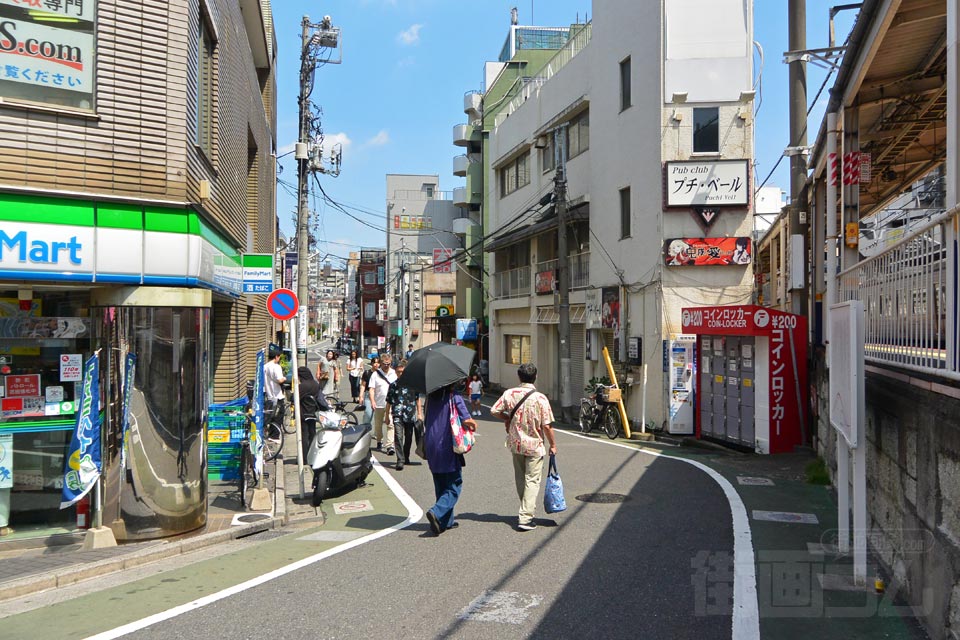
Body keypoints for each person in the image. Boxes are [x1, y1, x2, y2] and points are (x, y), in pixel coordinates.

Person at [490, 363, 557, 531]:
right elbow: (547, 426)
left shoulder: (509, 393)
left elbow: (494, 410)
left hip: (516, 443)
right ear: (535, 377)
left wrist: (506, 418)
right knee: (532, 480)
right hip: (535, 445)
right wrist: (553, 445)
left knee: (521, 478)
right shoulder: (540, 398)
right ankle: (526, 518)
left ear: (519, 377)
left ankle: (525, 510)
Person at [422, 381, 476, 535]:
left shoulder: (430, 398)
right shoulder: (454, 397)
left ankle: (445, 521)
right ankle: (437, 511)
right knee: (454, 484)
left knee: (440, 482)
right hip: (448, 444)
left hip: (431, 443)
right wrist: (473, 425)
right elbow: (467, 420)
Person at [385, 359, 423, 470]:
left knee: (409, 437)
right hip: (397, 414)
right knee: (398, 436)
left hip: (410, 414)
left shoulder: (413, 385)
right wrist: (386, 416)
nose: (400, 374)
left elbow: (417, 399)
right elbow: (389, 401)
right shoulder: (393, 385)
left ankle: (406, 456)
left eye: (402, 371)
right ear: (395, 372)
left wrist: (420, 413)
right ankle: (400, 460)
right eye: (398, 372)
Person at [296, 366, 328, 462]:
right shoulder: (315, 384)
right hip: (313, 413)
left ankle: (304, 458)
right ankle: (313, 456)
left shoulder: (302, 386)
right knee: (312, 434)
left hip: (303, 413)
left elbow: (293, 398)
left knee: (304, 436)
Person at [368, 354, 398, 453]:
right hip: (379, 403)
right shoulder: (375, 374)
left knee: (391, 424)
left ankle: (390, 445)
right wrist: (372, 401)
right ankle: (379, 441)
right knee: (378, 425)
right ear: (381, 363)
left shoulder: (394, 373)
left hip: (391, 403)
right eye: (384, 364)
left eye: (388, 364)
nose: (386, 365)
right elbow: (371, 389)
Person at [264, 347, 287, 422]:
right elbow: (280, 380)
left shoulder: (264, 366)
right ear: (276, 357)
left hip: (269, 396)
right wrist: (284, 378)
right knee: (278, 417)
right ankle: (275, 433)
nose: (279, 359)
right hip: (277, 396)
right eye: (279, 357)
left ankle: (269, 432)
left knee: (269, 417)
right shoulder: (276, 367)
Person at [359, 356, 380, 424]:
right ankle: (365, 428)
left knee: (376, 417)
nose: (376, 364)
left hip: (378, 395)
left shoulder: (381, 374)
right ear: (371, 363)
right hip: (368, 395)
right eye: (375, 363)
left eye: (378, 363)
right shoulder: (367, 373)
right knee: (368, 413)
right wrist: (361, 396)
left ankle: (374, 432)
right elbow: (363, 385)